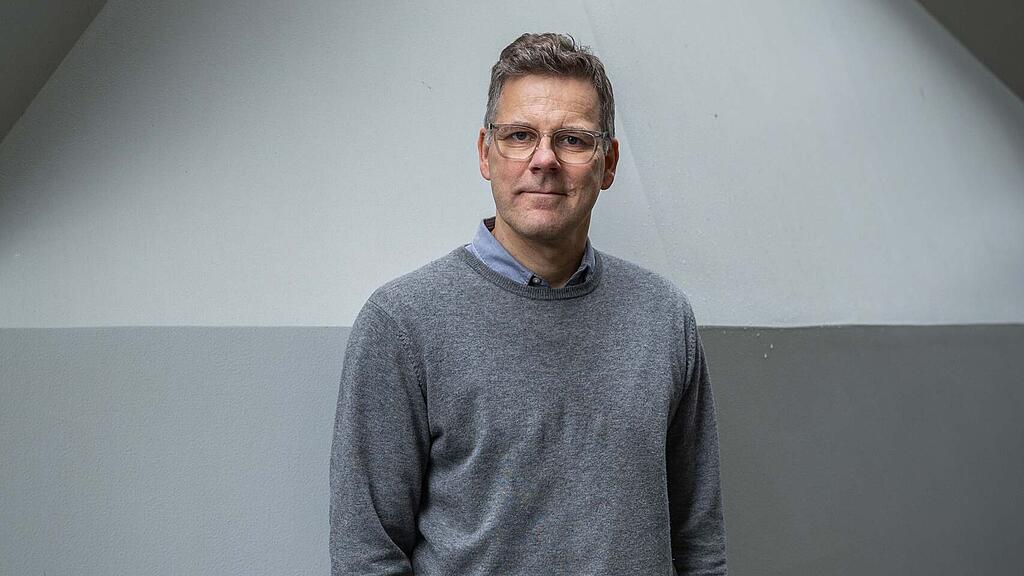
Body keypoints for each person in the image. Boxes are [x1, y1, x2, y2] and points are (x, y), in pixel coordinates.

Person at [330, 33, 727, 575]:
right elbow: (366, 555)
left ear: (608, 163)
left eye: (572, 140)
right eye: (520, 136)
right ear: (485, 153)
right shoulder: (402, 323)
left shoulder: (663, 318)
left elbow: (699, 544)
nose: (544, 160)